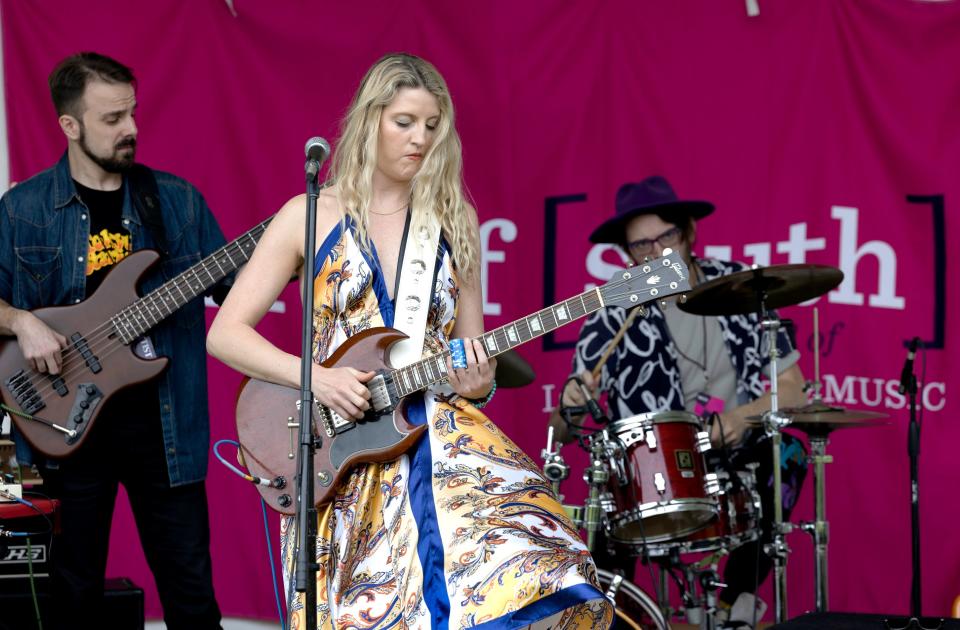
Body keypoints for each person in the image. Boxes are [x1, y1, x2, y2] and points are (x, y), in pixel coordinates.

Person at [207, 53, 613, 629]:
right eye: (404, 122)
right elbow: (225, 334)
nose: (419, 138)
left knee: (536, 563)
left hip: (438, 437)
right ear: (369, 119)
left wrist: (481, 380)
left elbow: (476, 362)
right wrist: (316, 376)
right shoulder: (309, 214)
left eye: (431, 125)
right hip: (338, 447)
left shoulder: (453, 218)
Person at [0, 52, 225, 629]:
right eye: (111, 119)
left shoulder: (174, 200)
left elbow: (237, 286)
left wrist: (299, 247)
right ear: (69, 126)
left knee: (192, 596)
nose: (130, 129)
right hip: (66, 428)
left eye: (132, 114)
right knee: (72, 598)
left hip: (163, 428)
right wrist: (23, 323)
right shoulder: (23, 211)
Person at [549, 175, 809, 628]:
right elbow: (565, 426)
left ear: (687, 233)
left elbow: (794, 390)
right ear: (628, 254)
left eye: (665, 237)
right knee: (606, 502)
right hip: (654, 467)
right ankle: (615, 617)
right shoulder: (614, 308)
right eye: (640, 246)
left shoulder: (741, 286)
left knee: (788, 452)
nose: (655, 254)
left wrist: (743, 416)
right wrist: (573, 400)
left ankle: (739, 601)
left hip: (734, 452)